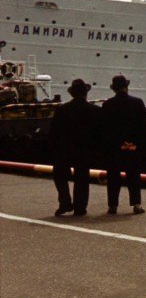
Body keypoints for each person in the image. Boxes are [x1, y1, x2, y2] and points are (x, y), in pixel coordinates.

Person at [50, 78, 103, 216]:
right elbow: (99, 133)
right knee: (82, 179)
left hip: (65, 149)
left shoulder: (61, 109)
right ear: (86, 93)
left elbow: (54, 132)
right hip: (85, 149)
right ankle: (80, 207)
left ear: (71, 93)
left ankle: (65, 202)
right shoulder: (95, 110)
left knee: (59, 176)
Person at [102, 75, 146, 215]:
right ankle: (136, 204)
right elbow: (143, 126)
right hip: (132, 146)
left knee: (113, 177)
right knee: (133, 176)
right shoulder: (137, 102)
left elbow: (105, 128)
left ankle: (113, 206)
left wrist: (117, 144)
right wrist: (134, 143)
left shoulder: (108, 104)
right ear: (126, 87)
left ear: (114, 89)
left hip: (115, 147)